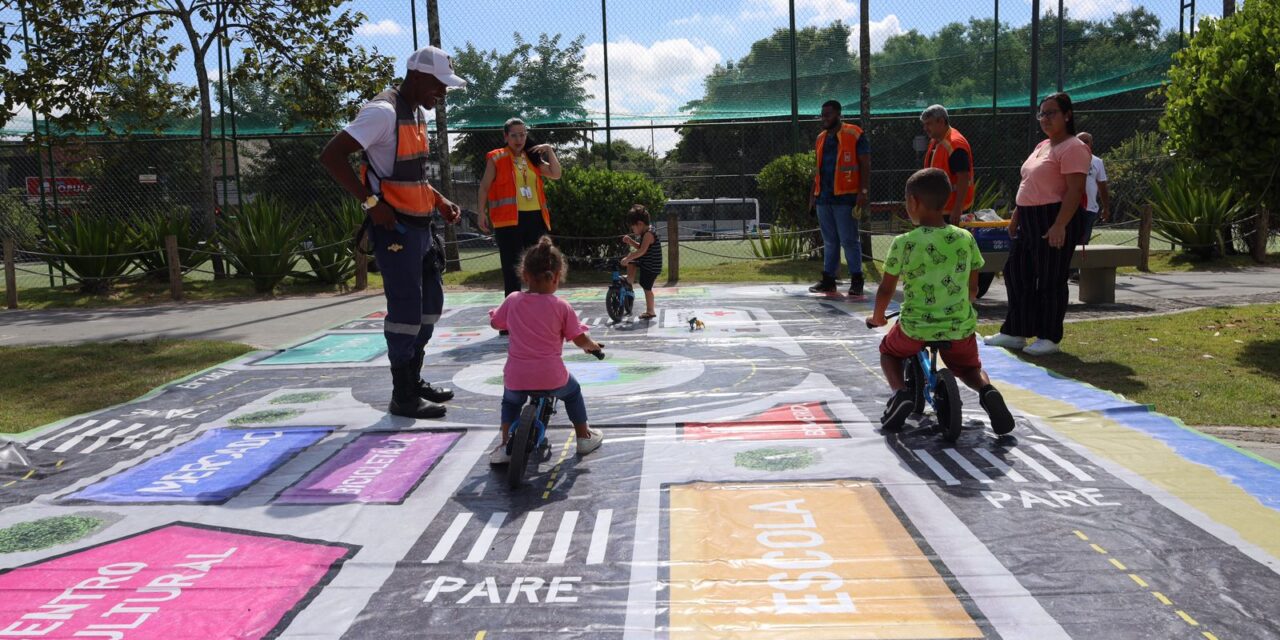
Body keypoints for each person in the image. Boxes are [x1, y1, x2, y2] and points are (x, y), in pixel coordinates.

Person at [319, 45, 464, 419]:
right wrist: (370, 203)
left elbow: (409, 175)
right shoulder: (381, 113)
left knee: (430, 307)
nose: (443, 93)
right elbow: (331, 156)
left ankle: (413, 380)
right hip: (395, 228)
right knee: (405, 314)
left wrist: (439, 200)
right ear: (417, 77)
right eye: (439, 85)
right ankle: (402, 396)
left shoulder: (416, 113)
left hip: (421, 226)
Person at [868, 168, 1014, 435]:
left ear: (913, 202)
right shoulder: (965, 238)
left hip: (915, 326)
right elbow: (973, 288)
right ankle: (987, 390)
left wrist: (877, 317)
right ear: (946, 200)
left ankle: (900, 393)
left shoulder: (904, 242)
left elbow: (886, 288)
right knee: (969, 368)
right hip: (959, 326)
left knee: (889, 352)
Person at [985, 92, 1091, 356]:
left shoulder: (1074, 147)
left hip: (1054, 217)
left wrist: (1059, 225)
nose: (1045, 118)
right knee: (1016, 272)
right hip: (1028, 218)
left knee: (1050, 278)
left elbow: (1074, 191)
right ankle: (1015, 332)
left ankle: (1049, 337)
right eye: (1042, 113)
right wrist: (1017, 218)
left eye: (1051, 112)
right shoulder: (1041, 146)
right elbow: (1028, 184)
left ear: (1067, 115)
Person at [488, 237, 605, 464]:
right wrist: (592, 347)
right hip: (552, 376)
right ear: (558, 277)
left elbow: (497, 324)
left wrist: (496, 317)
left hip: (517, 375)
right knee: (572, 393)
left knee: (510, 403)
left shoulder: (513, 300)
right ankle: (583, 437)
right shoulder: (562, 307)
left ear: (524, 275)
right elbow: (579, 338)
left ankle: (504, 445)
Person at [477, 118, 563, 299]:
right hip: (508, 221)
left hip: (535, 219)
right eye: (514, 135)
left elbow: (556, 173)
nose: (519, 139)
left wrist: (549, 150)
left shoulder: (532, 156)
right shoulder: (496, 157)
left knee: (540, 266)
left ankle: (537, 311)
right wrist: (480, 213)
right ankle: (510, 320)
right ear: (506, 136)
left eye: (523, 134)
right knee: (512, 270)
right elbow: (484, 186)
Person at [808, 99, 871, 297]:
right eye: (822, 114)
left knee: (849, 240)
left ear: (838, 114)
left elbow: (865, 164)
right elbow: (817, 170)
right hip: (824, 198)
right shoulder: (820, 138)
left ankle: (857, 279)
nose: (824, 118)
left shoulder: (854, 133)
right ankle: (828, 280)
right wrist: (813, 196)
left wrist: (863, 192)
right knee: (830, 241)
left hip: (846, 197)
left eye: (828, 114)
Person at [920, 104, 975, 225]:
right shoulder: (936, 140)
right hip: (941, 207)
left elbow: (963, 177)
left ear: (941, 121)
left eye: (928, 123)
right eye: (924, 124)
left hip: (952, 210)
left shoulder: (955, 144)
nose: (925, 128)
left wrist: (957, 208)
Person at [620, 204, 662, 320]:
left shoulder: (648, 234)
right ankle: (629, 280)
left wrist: (628, 258)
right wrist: (630, 241)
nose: (633, 230)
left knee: (646, 287)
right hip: (647, 261)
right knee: (633, 261)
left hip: (651, 265)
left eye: (633, 228)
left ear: (640, 224)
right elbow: (641, 247)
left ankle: (650, 311)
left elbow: (642, 251)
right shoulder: (647, 232)